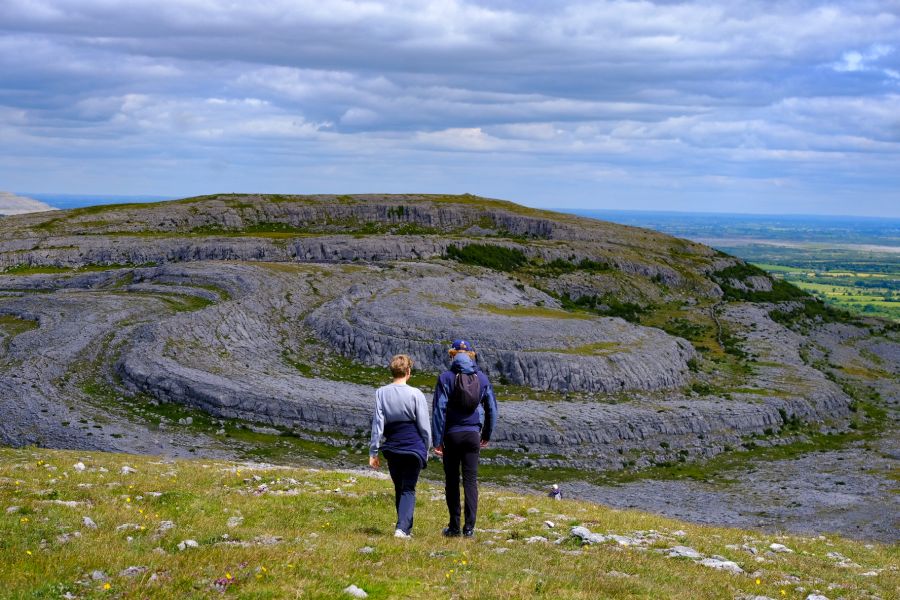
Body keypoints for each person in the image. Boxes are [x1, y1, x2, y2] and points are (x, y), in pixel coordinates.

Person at [432, 339, 498, 538]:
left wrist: (437, 440)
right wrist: (485, 434)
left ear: (452, 355)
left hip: (451, 435)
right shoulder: (483, 379)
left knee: (451, 481)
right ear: (471, 355)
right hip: (472, 435)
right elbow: (492, 410)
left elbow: (438, 411)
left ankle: (453, 527)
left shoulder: (445, 378)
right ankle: (469, 529)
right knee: (470, 481)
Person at [369, 354, 431, 539]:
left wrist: (374, 451)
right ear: (408, 371)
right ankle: (402, 529)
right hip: (413, 447)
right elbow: (424, 427)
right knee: (408, 488)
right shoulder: (416, 394)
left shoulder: (381, 393)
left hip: (393, 447)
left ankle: (403, 527)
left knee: (399, 486)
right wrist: (425, 450)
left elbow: (378, 425)